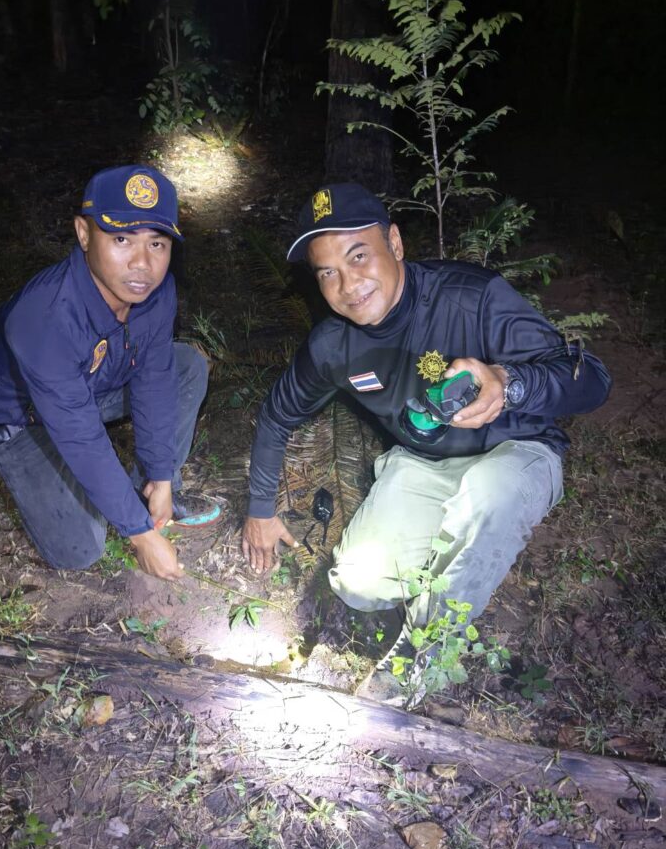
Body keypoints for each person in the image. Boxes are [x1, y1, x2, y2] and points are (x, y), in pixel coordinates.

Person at [241, 183, 611, 703]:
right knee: (358, 584)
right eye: (327, 272)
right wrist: (260, 509)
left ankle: (427, 651)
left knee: (489, 496)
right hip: (425, 459)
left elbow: (591, 378)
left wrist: (509, 384)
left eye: (358, 255)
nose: (348, 284)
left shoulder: (471, 296)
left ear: (394, 242)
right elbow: (277, 415)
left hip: (517, 451)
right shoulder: (333, 345)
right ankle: (451, 557)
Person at [0, 164, 220, 581]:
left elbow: (153, 378)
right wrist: (138, 534)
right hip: (18, 420)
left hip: (87, 388)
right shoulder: (42, 316)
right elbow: (78, 430)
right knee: (82, 548)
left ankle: (141, 492)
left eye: (158, 243)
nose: (143, 264)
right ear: (83, 233)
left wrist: (161, 474)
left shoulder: (156, 291)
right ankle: (109, 503)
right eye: (121, 239)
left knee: (185, 365)